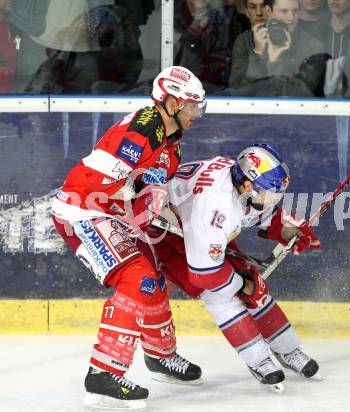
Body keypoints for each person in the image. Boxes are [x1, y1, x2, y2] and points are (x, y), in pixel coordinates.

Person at [51, 66, 207, 410]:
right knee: (137, 279)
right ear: (170, 102)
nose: (197, 113)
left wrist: (172, 220)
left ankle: (159, 356)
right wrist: (141, 202)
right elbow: (106, 186)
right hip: (82, 210)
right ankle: (103, 373)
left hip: (109, 212)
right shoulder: (143, 128)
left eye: (199, 106)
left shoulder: (170, 146)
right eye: (192, 105)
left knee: (153, 278)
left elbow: (146, 196)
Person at [136, 144, 321, 391]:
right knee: (220, 295)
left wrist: (284, 229)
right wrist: (243, 285)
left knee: (255, 287)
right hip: (162, 232)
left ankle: (287, 350)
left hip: (190, 221)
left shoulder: (239, 182)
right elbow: (206, 274)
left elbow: (254, 211)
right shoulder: (216, 208)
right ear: (247, 186)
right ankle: (259, 360)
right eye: (271, 194)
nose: (274, 200)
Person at [229, 0, 324, 95]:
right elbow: (236, 87)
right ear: (268, 11)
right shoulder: (246, 41)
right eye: (284, 11)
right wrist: (257, 53)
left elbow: (299, 95)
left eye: (295, 11)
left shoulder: (313, 46)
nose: (291, 18)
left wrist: (274, 62)